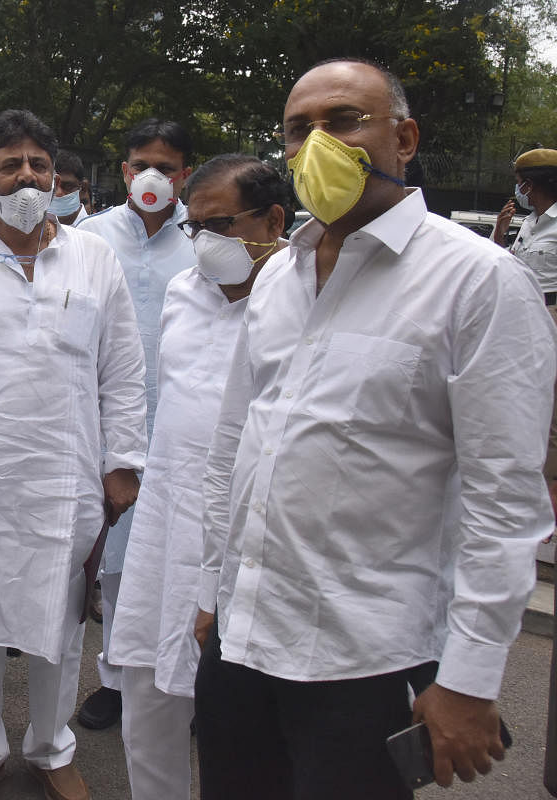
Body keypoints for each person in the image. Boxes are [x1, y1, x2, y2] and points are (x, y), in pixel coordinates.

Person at [194, 58, 556, 799]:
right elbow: (235, 444)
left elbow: (504, 496)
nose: (319, 143)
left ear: (406, 137)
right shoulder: (278, 277)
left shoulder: (478, 281)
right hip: (243, 637)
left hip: (365, 657)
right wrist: (211, 589)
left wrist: (471, 675)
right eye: (300, 130)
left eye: (344, 121)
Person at [0, 109, 147, 800]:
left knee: (61, 616)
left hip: (66, 473)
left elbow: (125, 367)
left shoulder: (93, 257)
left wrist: (122, 461)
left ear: (57, 177)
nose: (26, 175)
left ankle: (53, 750)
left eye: (38, 165)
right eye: (9, 164)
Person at [109, 154, 290, 800]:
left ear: (273, 220)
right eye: (195, 227)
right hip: (167, 523)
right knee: (145, 697)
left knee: (237, 726)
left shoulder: (302, 299)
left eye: (221, 224)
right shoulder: (185, 294)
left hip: (251, 542)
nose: (204, 241)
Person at [73, 118, 197, 730]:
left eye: (166, 166)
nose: (153, 176)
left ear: (185, 175)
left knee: (190, 560)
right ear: (123, 171)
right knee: (117, 567)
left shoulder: (205, 241)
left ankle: (190, 684)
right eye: (140, 164)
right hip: (111, 429)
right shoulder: (89, 238)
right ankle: (116, 680)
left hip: (183, 428)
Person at [52, 150, 89, 226]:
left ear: (82, 187)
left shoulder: (96, 232)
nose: (58, 193)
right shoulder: (32, 231)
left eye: (67, 186)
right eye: (52, 186)